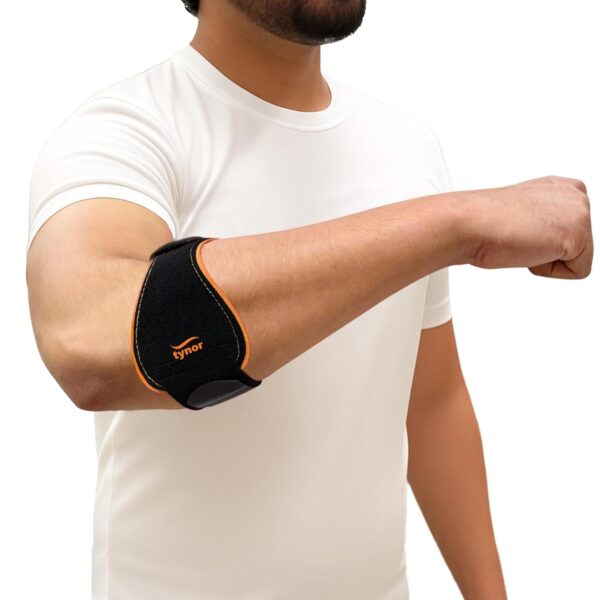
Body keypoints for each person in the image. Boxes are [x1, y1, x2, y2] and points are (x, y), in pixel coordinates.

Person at [25, 1, 592, 598]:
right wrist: (454, 224)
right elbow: (91, 339)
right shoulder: (124, 130)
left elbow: (430, 402)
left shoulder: (408, 147)